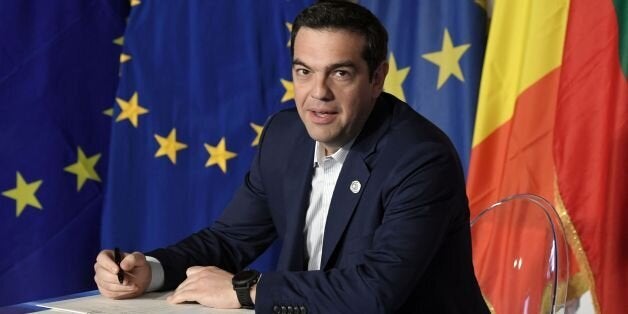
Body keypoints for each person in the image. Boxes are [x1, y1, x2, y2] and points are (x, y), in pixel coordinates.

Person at [94, 1, 489, 313]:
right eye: (304, 71)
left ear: (377, 78)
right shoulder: (285, 136)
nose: (317, 93)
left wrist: (246, 289)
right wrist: (150, 270)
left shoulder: (420, 159)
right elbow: (230, 240)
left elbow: (375, 291)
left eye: (340, 74)